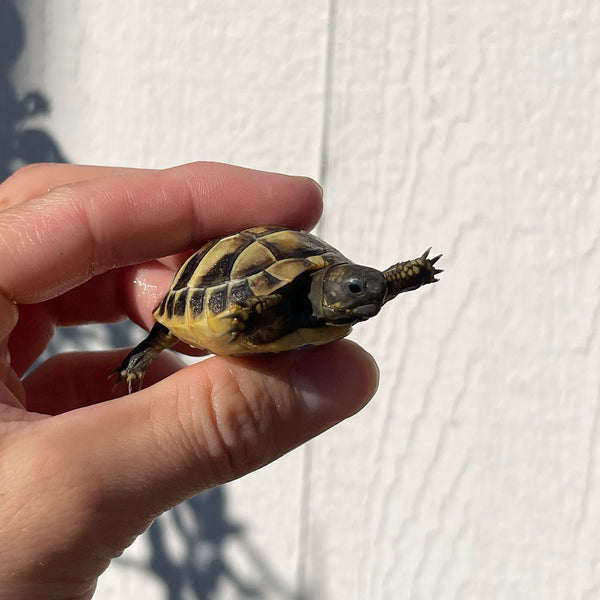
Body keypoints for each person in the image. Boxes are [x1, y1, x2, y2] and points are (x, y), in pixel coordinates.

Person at [0, 162, 379, 600]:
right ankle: (143, 353)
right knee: (166, 331)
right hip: (225, 290)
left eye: (364, 290)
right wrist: (243, 310)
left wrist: (401, 278)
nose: (366, 296)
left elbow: (375, 285)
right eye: (353, 290)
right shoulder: (286, 297)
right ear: (330, 289)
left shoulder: (336, 294)